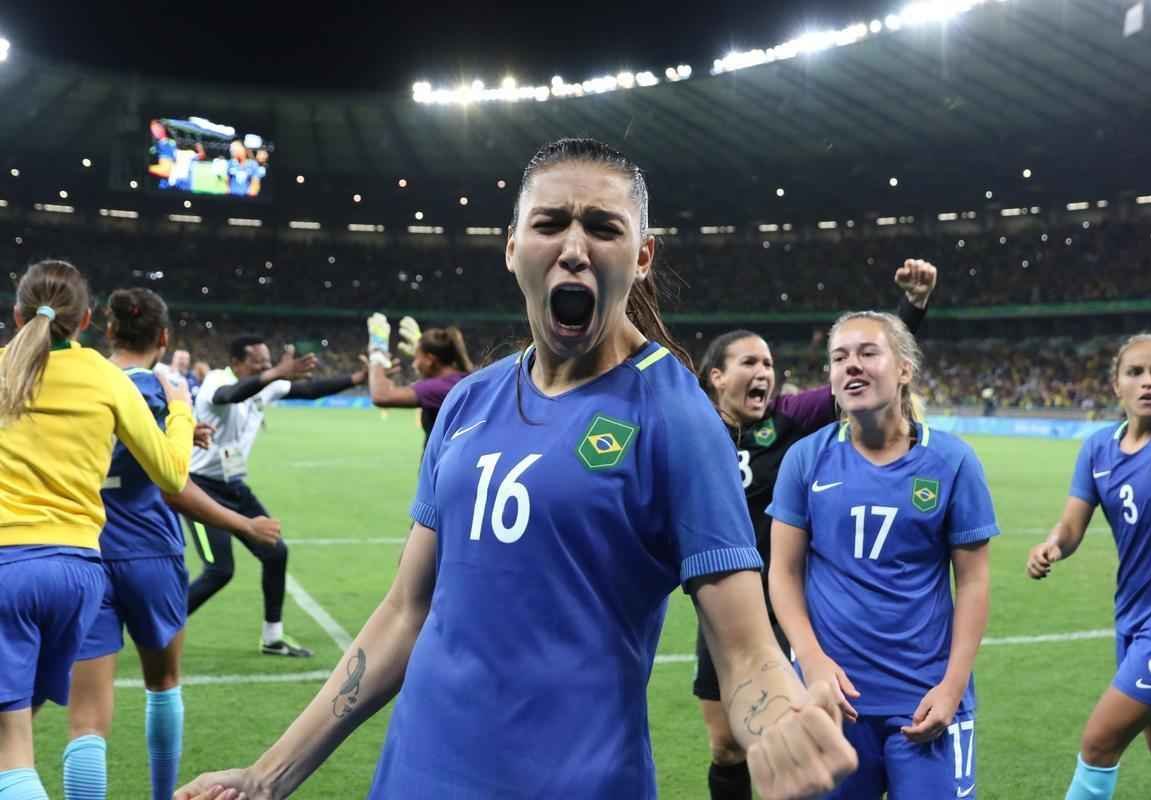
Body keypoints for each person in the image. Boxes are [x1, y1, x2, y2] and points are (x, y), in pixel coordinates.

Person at [174, 138, 857, 800]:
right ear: (512, 248)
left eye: (603, 228)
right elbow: (406, 612)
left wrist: (776, 717)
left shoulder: (677, 417)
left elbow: (743, 650)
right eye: (550, 223)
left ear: (643, 256)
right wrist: (269, 776)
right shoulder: (469, 401)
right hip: (415, 777)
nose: (574, 248)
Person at [694, 265, 936, 800]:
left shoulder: (787, 417)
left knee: (795, 738)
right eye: (750, 362)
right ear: (716, 377)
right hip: (721, 605)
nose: (764, 372)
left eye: (768, 364)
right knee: (726, 746)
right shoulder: (691, 428)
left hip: (787, 605)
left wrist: (912, 309)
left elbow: (860, 379)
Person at [62, 289, 282, 800]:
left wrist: (183, 432)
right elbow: (172, 483)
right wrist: (245, 525)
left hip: (88, 550)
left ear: (108, 330)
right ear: (163, 337)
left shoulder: (84, 380)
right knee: (162, 686)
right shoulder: (164, 387)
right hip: (151, 553)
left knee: (86, 721)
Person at [768, 310, 998, 799]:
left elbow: (974, 583)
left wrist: (953, 687)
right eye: (839, 357)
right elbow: (783, 574)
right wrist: (811, 660)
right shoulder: (805, 459)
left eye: (868, 353)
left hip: (926, 699)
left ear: (904, 369)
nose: (851, 365)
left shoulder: (953, 461)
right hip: (834, 700)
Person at [0, 260, 194, 800]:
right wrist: (180, 413)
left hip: (9, 566)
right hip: (80, 570)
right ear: (86, 319)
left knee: (11, 752)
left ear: (17, 314)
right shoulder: (107, 378)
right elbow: (171, 474)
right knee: (141, 692)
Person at [1027, 333, 1151, 800]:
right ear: (1116, 385)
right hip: (1133, 615)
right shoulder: (1098, 449)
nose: (1148, 382)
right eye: (1136, 372)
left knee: (1100, 742)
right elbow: (1072, 524)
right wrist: (1052, 545)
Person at [184, 336, 366, 657]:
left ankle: (272, 638)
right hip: (199, 489)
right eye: (259, 363)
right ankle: (159, 625)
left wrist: (356, 378)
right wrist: (274, 374)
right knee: (219, 571)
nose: (267, 368)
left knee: (275, 553)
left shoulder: (266, 385)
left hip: (234, 485)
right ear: (237, 363)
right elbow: (230, 395)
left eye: (269, 363)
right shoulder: (217, 379)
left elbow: (309, 391)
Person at [366, 315, 472, 443]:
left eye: (417, 358)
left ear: (430, 359)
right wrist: (423, 348)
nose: (414, 364)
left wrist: (378, 350)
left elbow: (381, 396)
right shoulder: (461, 379)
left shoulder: (440, 387)